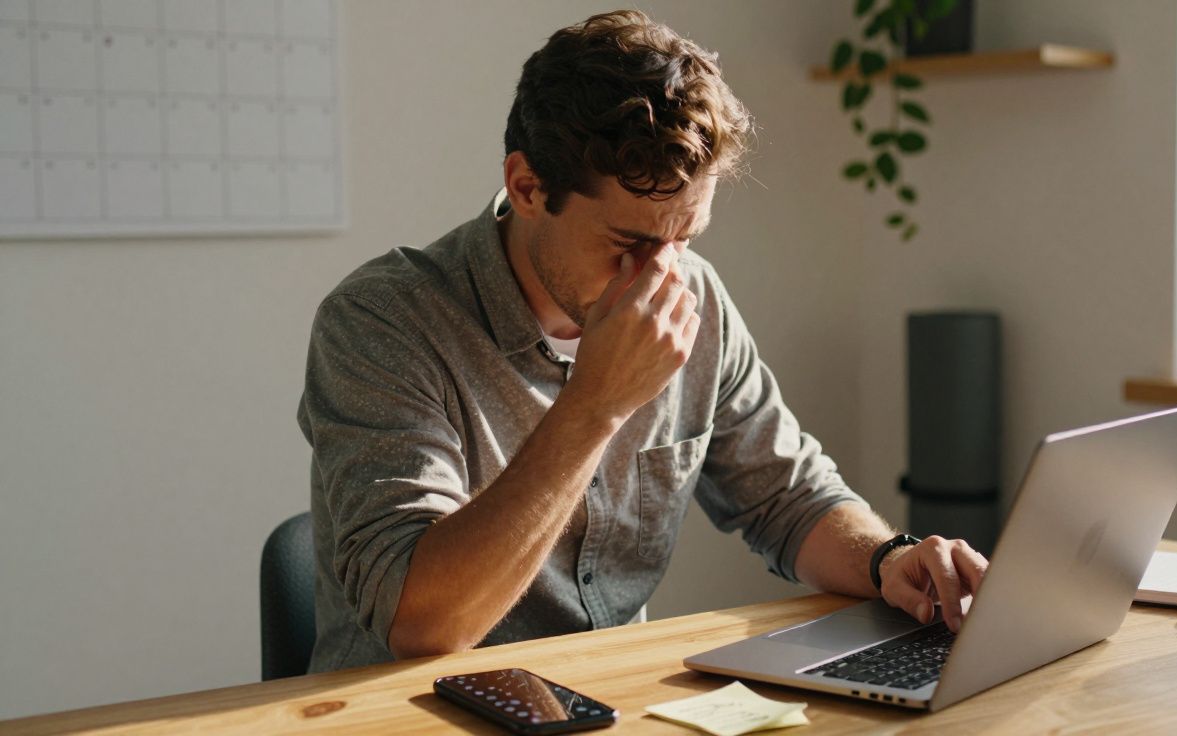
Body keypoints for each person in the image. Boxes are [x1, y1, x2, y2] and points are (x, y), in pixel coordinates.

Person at [296, 9, 988, 673]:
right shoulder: (382, 320)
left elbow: (787, 496)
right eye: (629, 242)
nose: (661, 274)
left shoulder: (695, 293)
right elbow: (424, 625)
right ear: (528, 185)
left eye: (684, 237)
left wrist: (888, 558)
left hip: (612, 704)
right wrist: (596, 403)